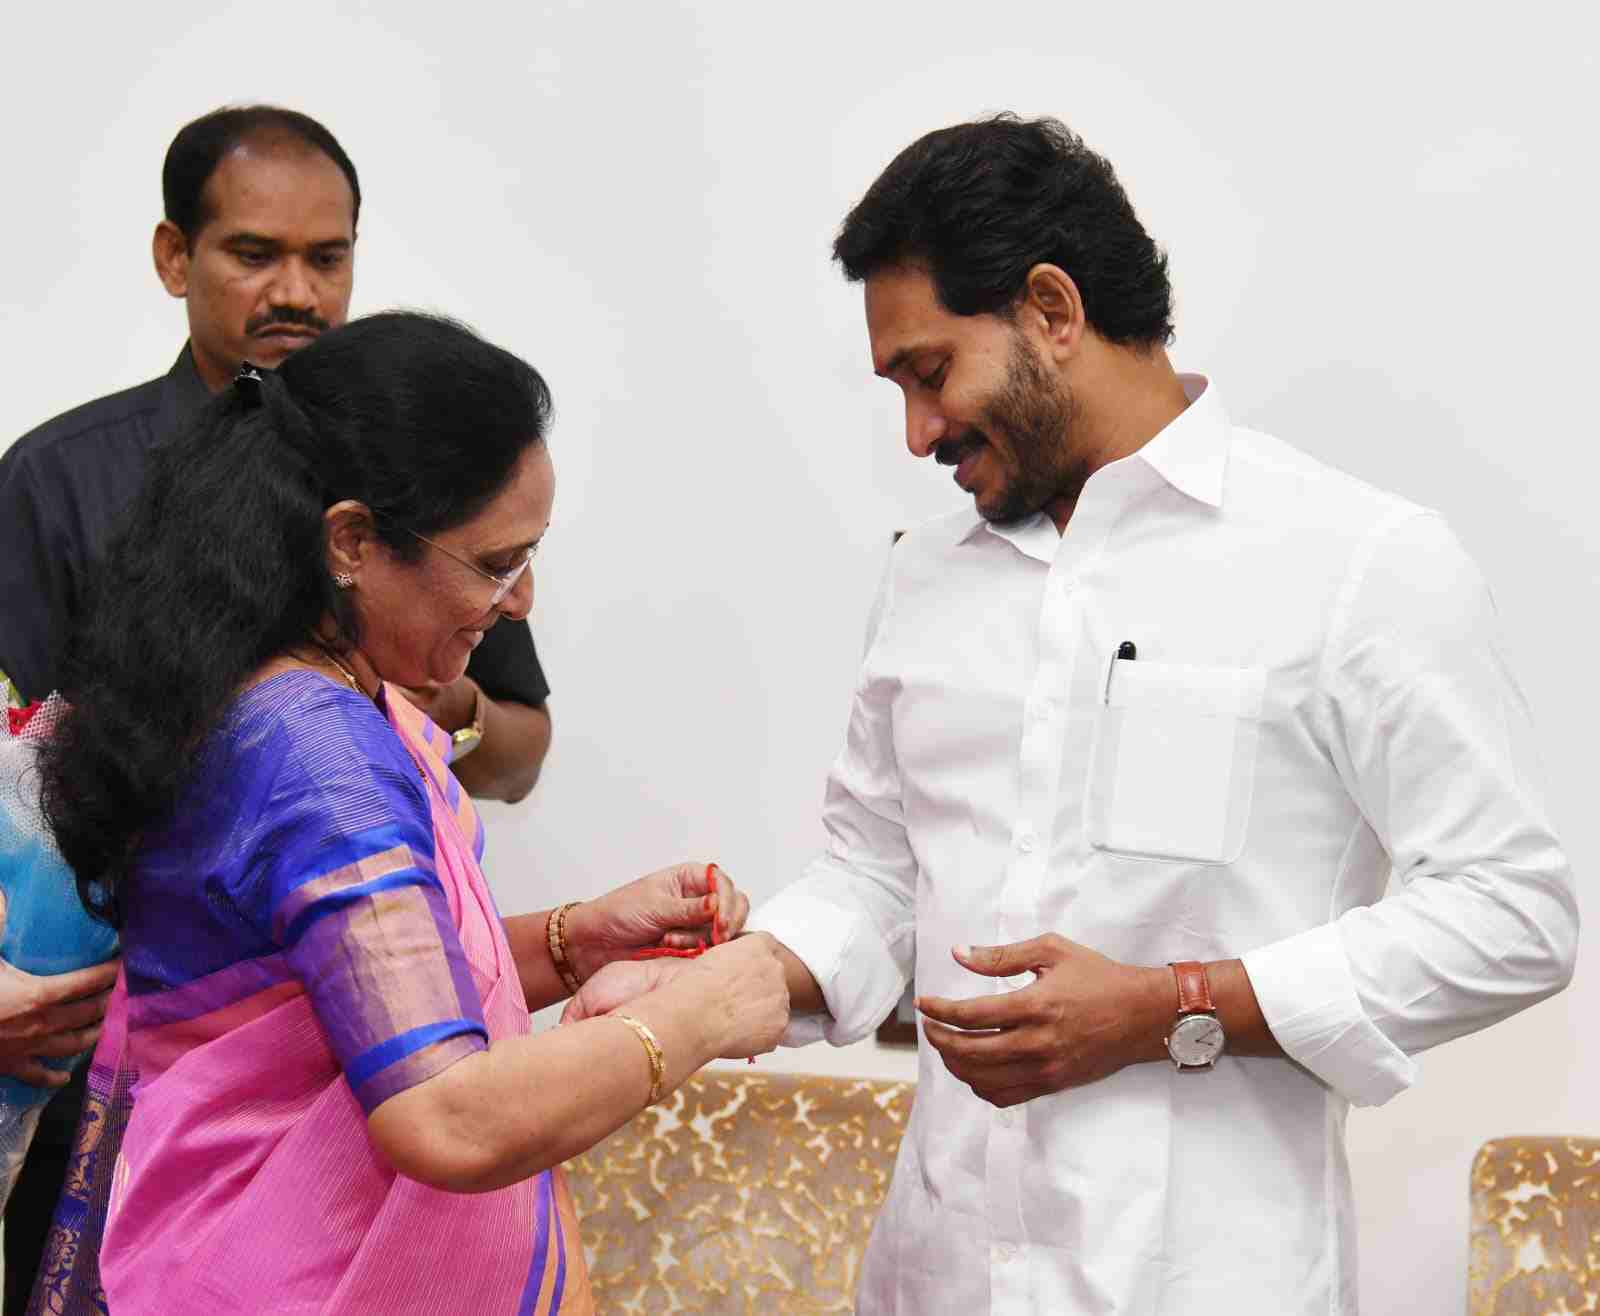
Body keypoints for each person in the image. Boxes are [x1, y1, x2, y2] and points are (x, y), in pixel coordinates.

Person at [569, 115, 1579, 1313]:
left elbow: (1512, 912)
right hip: (934, 1275)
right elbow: (877, 880)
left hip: (1211, 1283)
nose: (917, 434)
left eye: (930, 372)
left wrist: (1171, 1009)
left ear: (1052, 309)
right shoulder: (927, 577)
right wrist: (701, 995)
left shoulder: (1358, 561)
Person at [28, 310, 790, 1314]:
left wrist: (572, 940)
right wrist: (706, 1009)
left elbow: (346, 983)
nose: (519, 600)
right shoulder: (316, 745)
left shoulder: (281, 694)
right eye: (493, 561)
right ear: (350, 539)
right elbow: (446, 1117)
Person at [0, 105, 556, 1307]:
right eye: (255, 254)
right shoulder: (61, 480)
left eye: (328, 256)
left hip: (334, 1060)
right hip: (104, 1055)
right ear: (173, 258)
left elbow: (513, 742)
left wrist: (417, 704)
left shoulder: (431, 478)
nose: (295, 290)